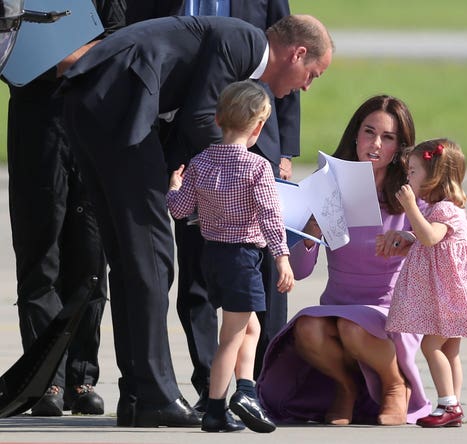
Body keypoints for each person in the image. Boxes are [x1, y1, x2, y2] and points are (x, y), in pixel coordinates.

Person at [60, 14, 332, 427]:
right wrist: (241, 177)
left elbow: (190, 116)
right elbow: (202, 118)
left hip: (95, 104)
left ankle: (137, 393)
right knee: (152, 255)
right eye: (312, 73)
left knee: (129, 255)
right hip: (116, 106)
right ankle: (154, 394)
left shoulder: (237, 46)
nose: (307, 86)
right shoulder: (244, 41)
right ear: (297, 54)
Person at [256, 95, 432, 425]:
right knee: (307, 327)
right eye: (369, 132)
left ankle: (396, 386)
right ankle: (346, 387)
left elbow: (439, 246)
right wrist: (310, 230)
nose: (376, 144)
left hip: (388, 309)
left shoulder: (411, 193)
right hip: (337, 305)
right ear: (355, 134)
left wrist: (410, 240)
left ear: (401, 146)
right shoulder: (329, 186)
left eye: (388, 137)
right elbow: (299, 271)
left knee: (353, 327)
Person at [3, 0, 138, 417]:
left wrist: (75, 55)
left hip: (89, 114)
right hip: (35, 116)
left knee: (90, 255)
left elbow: (120, 38)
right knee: (40, 251)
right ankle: (47, 382)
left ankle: (82, 376)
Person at [168, 0, 301, 413]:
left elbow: (179, 210)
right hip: (243, 258)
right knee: (234, 334)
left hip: (211, 256)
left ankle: (246, 391)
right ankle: (216, 404)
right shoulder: (259, 167)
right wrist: (281, 258)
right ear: (260, 126)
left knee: (248, 326)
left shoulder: (201, 161)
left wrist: (174, 186)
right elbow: (270, 216)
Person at [385, 138, 467, 428]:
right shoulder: (440, 208)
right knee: (450, 350)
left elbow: (431, 238)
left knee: (431, 345)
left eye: (413, 171)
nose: (408, 176)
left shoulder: (445, 209)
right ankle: (453, 404)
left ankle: (447, 403)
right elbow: (431, 240)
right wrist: (410, 237)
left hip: (450, 291)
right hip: (451, 288)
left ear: (434, 175)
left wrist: (410, 208)